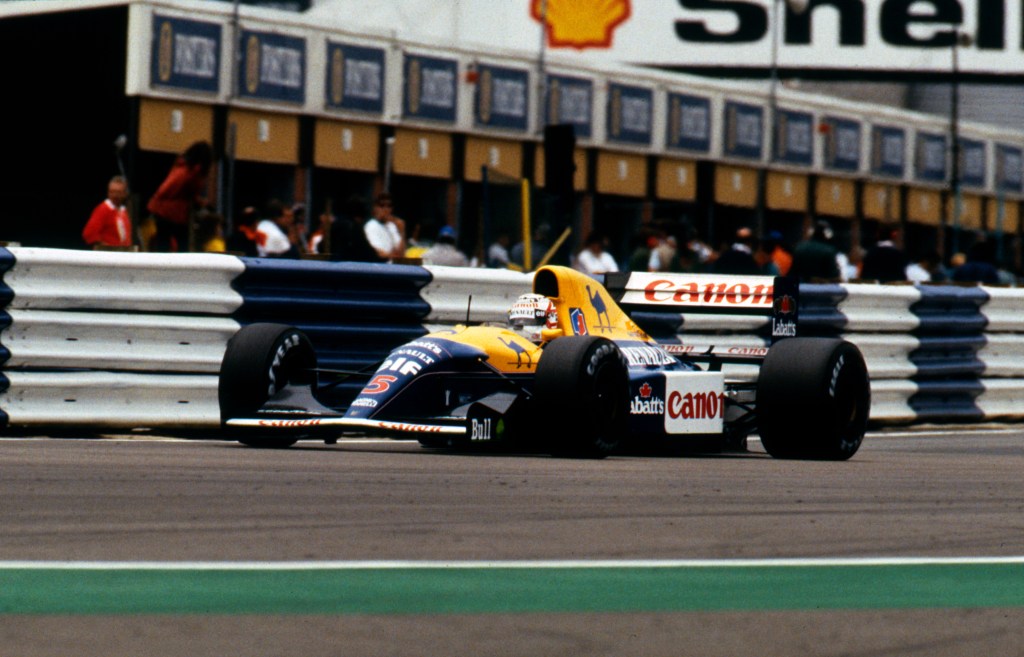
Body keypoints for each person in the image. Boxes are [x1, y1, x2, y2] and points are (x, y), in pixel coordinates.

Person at [146, 140, 212, 252]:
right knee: (178, 243)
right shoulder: (188, 172)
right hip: (170, 212)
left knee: (167, 242)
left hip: (169, 211)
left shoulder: (184, 168)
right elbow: (166, 190)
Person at [82, 175, 132, 249]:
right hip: (108, 256)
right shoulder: (103, 209)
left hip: (122, 255)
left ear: (124, 193)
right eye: (112, 192)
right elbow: (89, 233)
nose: (115, 195)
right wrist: (106, 248)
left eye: (118, 192)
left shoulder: (123, 211)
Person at [329, 195, 381, 262]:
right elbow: (368, 252)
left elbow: (321, 247)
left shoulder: (336, 224)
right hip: (347, 266)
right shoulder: (354, 228)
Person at [364, 192, 406, 261]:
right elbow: (379, 253)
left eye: (389, 206)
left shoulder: (392, 226)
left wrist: (402, 232)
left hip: (394, 265)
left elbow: (402, 254)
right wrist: (394, 255)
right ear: (375, 208)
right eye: (382, 205)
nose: (386, 209)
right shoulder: (371, 226)